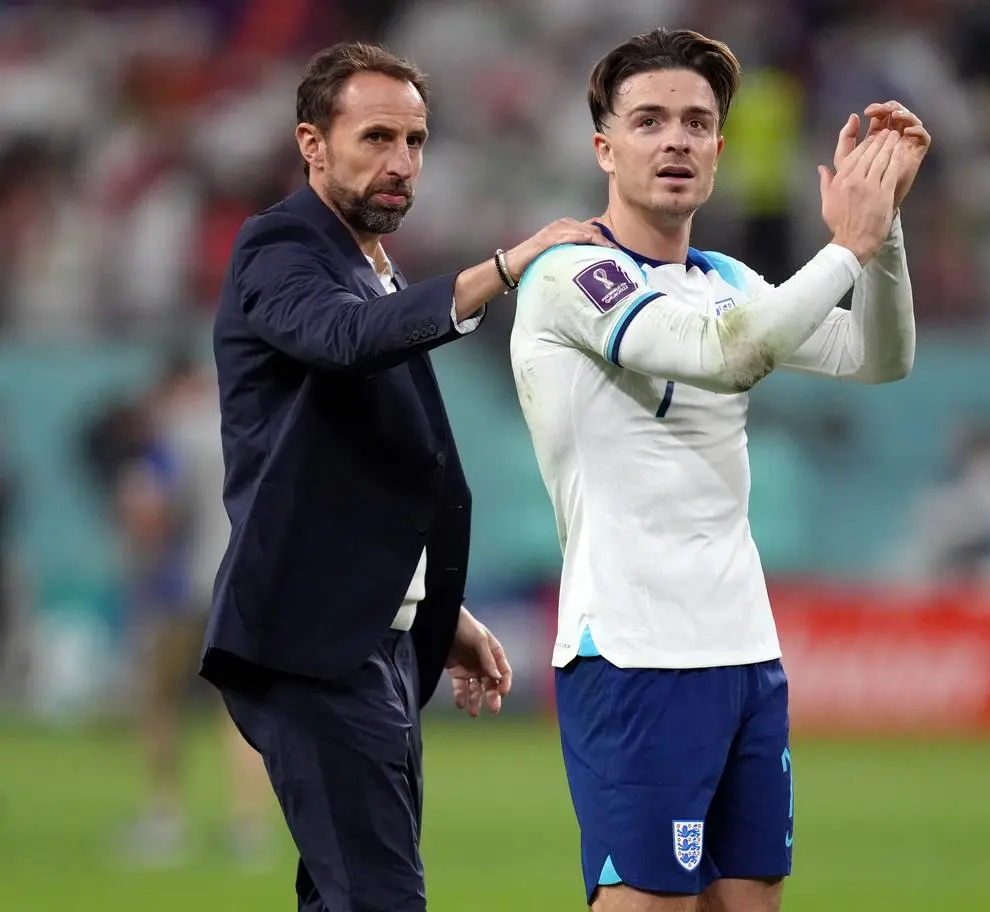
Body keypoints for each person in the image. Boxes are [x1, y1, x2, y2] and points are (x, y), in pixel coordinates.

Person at [510, 28, 930, 912]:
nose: (676, 140)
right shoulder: (570, 276)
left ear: (720, 150)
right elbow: (726, 355)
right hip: (631, 649)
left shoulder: (727, 277)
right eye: (650, 121)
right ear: (604, 147)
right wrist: (843, 249)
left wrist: (881, 230)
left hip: (743, 647)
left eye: (697, 123)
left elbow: (877, 355)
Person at [199, 41, 612, 912]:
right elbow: (343, 341)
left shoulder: (369, 266)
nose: (401, 163)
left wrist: (431, 605)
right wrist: (503, 270)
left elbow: (357, 465)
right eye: (377, 137)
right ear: (312, 143)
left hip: (368, 637)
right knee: (381, 900)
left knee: (348, 895)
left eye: (416, 141)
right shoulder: (278, 248)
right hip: (309, 646)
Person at [116, 352, 272, 867]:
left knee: (161, 703)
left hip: (182, 589)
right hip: (240, 585)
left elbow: (154, 511)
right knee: (239, 708)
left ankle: (166, 818)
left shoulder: (173, 433)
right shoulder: (245, 424)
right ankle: (249, 825)